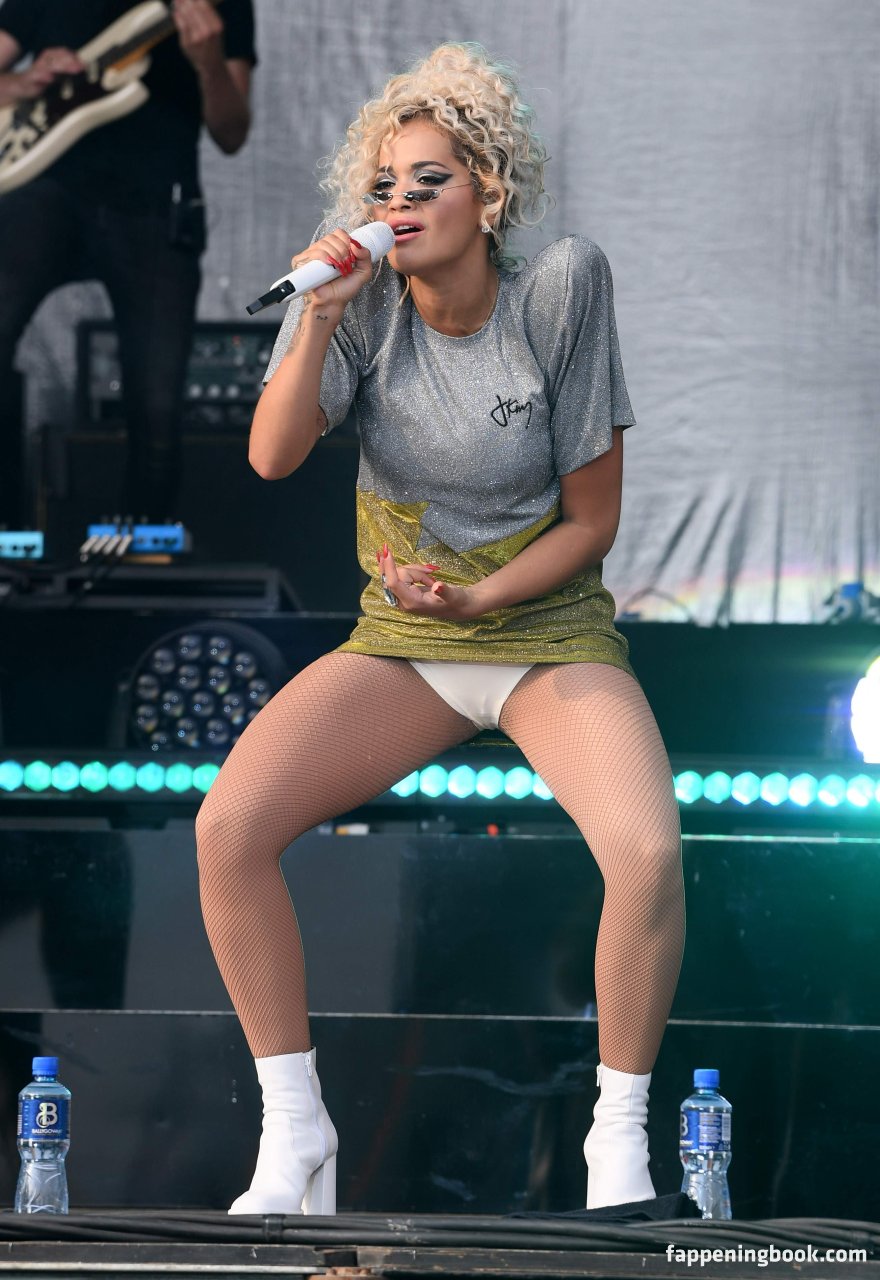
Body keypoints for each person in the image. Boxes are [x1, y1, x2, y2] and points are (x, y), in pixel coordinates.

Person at [196, 42, 685, 1215]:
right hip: (405, 644)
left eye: (430, 180)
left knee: (648, 852)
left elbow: (593, 523)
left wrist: (478, 597)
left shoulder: (558, 286)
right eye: (383, 185)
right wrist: (317, 317)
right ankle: (295, 1127)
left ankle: (617, 1138)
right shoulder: (360, 303)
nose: (400, 203)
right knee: (227, 829)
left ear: (490, 195)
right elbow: (270, 457)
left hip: (544, 634)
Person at [0, 0, 256, 526]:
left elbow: (231, 132)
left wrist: (207, 61)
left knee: (157, 404)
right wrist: (22, 83)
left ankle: (141, 549)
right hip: (46, 189)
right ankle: (7, 532)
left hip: (156, 205)